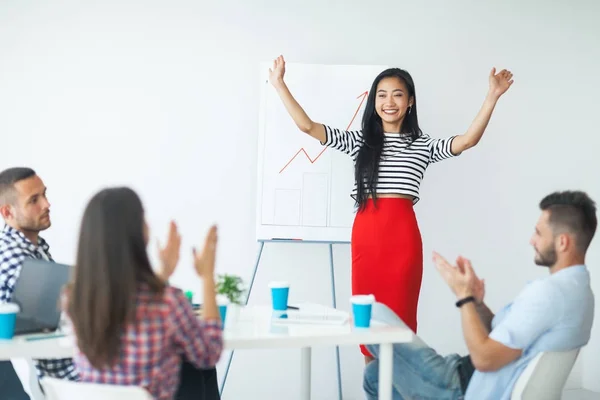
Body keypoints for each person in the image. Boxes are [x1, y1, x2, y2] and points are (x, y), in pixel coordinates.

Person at [268, 55, 514, 360]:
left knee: (401, 325)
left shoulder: (422, 145)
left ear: (410, 101)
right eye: (381, 95)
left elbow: (466, 141)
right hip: (367, 238)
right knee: (366, 321)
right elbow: (307, 126)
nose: (389, 102)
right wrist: (279, 84)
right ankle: (375, 387)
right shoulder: (359, 143)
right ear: (373, 103)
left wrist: (492, 96)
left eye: (397, 94)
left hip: (403, 241)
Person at [362, 190, 596, 400]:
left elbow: (485, 359)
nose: (531, 240)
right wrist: (476, 302)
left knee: (373, 313)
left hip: (457, 386)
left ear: (563, 242)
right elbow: (504, 336)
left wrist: (463, 297)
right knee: (375, 373)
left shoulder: (549, 294)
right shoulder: (577, 290)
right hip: (463, 373)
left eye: (538, 233)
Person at [65, 186, 224, 400]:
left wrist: (163, 273)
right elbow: (209, 353)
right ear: (140, 233)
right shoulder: (167, 302)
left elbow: (126, 304)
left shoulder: (74, 300)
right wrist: (206, 276)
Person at [0, 167, 78, 399]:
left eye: (44, 194)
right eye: (34, 200)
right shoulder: (13, 256)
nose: (46, 204)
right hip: (62, 378)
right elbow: (63, 314)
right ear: (7, 212)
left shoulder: (34, 249)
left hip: (69, 367)